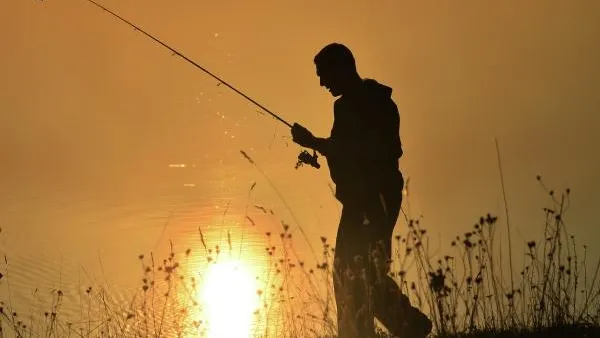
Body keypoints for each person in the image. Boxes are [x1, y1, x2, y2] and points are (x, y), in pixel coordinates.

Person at [291, 43, 432, 338]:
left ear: (343, 68)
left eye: (325, 75)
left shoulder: (378, 102)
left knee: (357, 272)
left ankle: (395, 328)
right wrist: (318, 148)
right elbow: (344, 151)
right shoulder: (343, 106)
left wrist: (315, 143)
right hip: (358, 199)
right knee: (356, 272)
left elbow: (373, 151)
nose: (322, 83)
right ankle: (408, 326)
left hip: (375, 199)